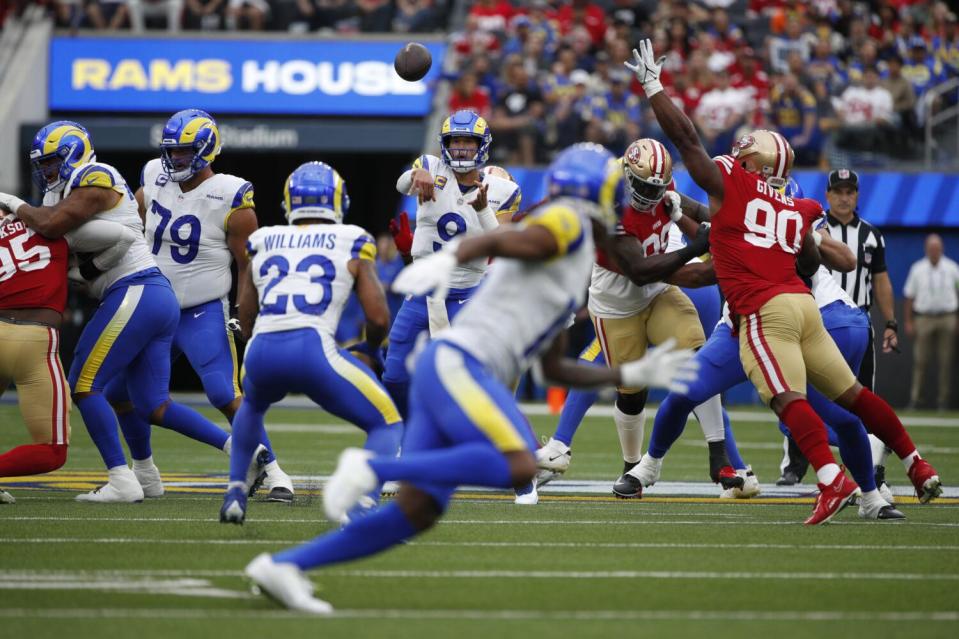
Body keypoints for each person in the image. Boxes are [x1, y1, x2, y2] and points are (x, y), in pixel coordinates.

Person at [241, 143, 698, 613]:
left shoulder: (580, 253)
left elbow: (553, 368)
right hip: (461, 365)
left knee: (416, 512)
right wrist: (455, 254)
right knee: (522, 466)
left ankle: (286, 566)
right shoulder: (568, 224)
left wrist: (629, 373)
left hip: (449, 367)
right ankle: (376, 468)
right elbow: (509, 240)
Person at [627, 39, 942, 523]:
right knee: (852, 399)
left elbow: (690, 145)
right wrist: (685, 217)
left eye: (744, 154)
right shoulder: (797, 208)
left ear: (755, 166)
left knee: (792, 402)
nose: (736, 155)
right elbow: (757, 245)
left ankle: (838, 480)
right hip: (799, 308)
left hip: (766, 315)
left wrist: (653, 88)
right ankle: (915, 464)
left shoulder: (735, 186)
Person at [0, 121, 262, 503]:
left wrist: (11, 201)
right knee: (153, 404)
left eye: (54, 161)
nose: (47, 171)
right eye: (43, 163)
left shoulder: (96, 177)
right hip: (150, 294)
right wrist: (83, 270)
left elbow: (74, 230)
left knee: (86, 385)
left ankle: (121, 481)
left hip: (136, 289)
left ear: (74, 153)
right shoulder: (64, 194)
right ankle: (239, 451)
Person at [103, 109, 293, 502]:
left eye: (186, 152)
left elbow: (248, 262)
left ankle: (275, 472)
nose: (176, 160)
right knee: (118, 391)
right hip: (154, 305)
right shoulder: (153, 174)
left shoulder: (231, 194)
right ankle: (145, 471)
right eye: (172, 151)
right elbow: (131, 222)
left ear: (207, 150)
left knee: (223, 391)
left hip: (201, 307)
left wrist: (242, 313)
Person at [535, 138, 724, 498]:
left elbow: (692, 207)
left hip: (658, 292)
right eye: (642, 187)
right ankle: (631, 465)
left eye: (656, 187)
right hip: (616, 302)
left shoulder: (658, 182)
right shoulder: (609, 206)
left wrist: (725, 220)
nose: (649, 195)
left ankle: (719, 453)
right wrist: (695, 248)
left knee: (696, 355)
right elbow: (638, 270)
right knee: (632, 391)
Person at [220, 161, 402, 524]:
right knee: (388, 423)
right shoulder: (352, 239)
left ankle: (236, 492)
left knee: (253, 404)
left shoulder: (263, 240)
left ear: (290, 201)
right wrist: (370, 347)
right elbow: (378, 317)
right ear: (337, 201)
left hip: (261, 350)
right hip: (312, 348)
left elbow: (247, 312)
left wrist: (259, 344)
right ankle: (363, 505)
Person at [382, 110, 521, 419]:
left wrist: (484, 211)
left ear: (481, 146)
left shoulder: (502, 190)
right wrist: (414, 175)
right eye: (455, 141)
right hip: (424, 294)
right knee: (394, 377)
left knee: (473, 378)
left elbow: (503, 243)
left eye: (467, 142)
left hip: (469, 294)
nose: (460, 148)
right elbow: (402, 184)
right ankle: (412, 430)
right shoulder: (430, 166)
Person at [0, 205, 138, 503]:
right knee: (52, 451)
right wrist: (81, 272)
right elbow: (123, 236)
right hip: (33, 337)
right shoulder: (53, 227)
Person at [805, 168, 899, 491]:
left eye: (850, 192)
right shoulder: (815, 224)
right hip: (815, 320)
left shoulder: (872, 235)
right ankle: (797, 464)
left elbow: (881, 280)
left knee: (859, 397)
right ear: (828, 195)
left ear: (857, 196)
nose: (844, 197)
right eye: (838, 191)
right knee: (810, 395)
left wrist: (890, 321)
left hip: (857, 319)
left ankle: (870, 468)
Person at [904, 233, 959, 411]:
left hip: (947, 316)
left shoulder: (952, 268)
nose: (934, 251)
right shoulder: (917, 269)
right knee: (920, 360)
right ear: (926, 249)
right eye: (931, 248)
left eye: (937, 248)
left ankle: (943, 401)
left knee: (945, 361)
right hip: (924, 317)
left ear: (942, 248)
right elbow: (909, 296)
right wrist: (908, 321)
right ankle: (916, 400)